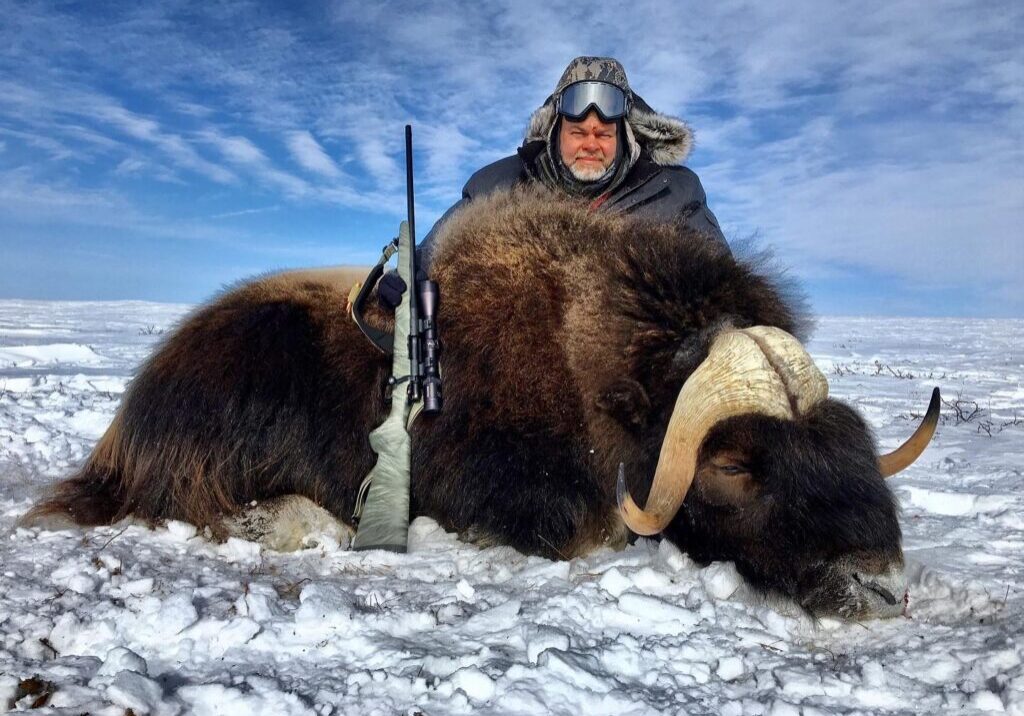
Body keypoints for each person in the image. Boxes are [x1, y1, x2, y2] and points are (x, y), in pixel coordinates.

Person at [379, 56, 728, 308]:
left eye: (603, 134)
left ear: (625, 137)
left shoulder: (675, 192)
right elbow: (428, 258)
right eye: (578, 132)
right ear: (555, 133)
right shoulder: (495, 186)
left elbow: (723, 287)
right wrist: (402, 279)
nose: (591, 144)